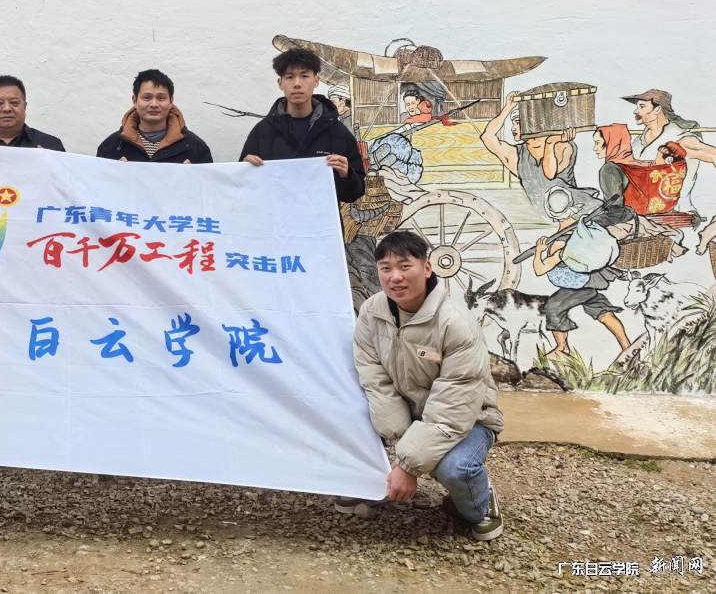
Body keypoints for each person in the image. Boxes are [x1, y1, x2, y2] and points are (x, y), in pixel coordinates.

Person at [345, 230, 504, 540]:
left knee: (454, 469)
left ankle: (480, 505)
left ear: (427, 268)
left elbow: (453, 404)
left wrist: (407, 464)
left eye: (405, 266)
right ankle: (367, 486)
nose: (395, 277)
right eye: (386, 268)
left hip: (469, 417)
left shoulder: (455, 323)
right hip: (409, 411)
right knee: (344, 419)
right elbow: (375, 380)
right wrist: (401, 445)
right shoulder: (371, 312)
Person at [239, 48, 365, 203]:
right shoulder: (262, 131)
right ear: (280, 83)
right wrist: (244, 170)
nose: (297, 84)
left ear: (316, 81)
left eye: (304, 76)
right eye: (290, 77)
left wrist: (347, 175)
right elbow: (242, 189)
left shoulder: (338, 132)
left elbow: (355, 194)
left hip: (322, 218)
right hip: (275, 217)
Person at [480, 93, 596, 228]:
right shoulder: (517, 155)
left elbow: (549, 174)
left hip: (584, 213)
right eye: (513, 123)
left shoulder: (562, 145)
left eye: (518, 122)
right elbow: (487, 137)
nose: (513, 128)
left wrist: (550, 143)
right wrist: (507, 108)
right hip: (555, 219)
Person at [624, 90, 716, 222]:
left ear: (658, 109)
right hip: (639, 214)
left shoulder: (681, 138)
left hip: (677, 215)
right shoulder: (637, 142)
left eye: (642, 106)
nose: (635, 111)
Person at [96, 69, 213, 164]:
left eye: (161, 98)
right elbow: (98, 183)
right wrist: (115, 176)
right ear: (135, 101)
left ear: (171, 102)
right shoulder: (112, 146)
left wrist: (193, 177)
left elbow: (209, 185)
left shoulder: (196, 147)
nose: (154, 104)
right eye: (147, 97)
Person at [0, 75, 65, 151]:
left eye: (14, 102)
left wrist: (50, 164)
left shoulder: (51, 145)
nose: (7, 109)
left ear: (24, 107)